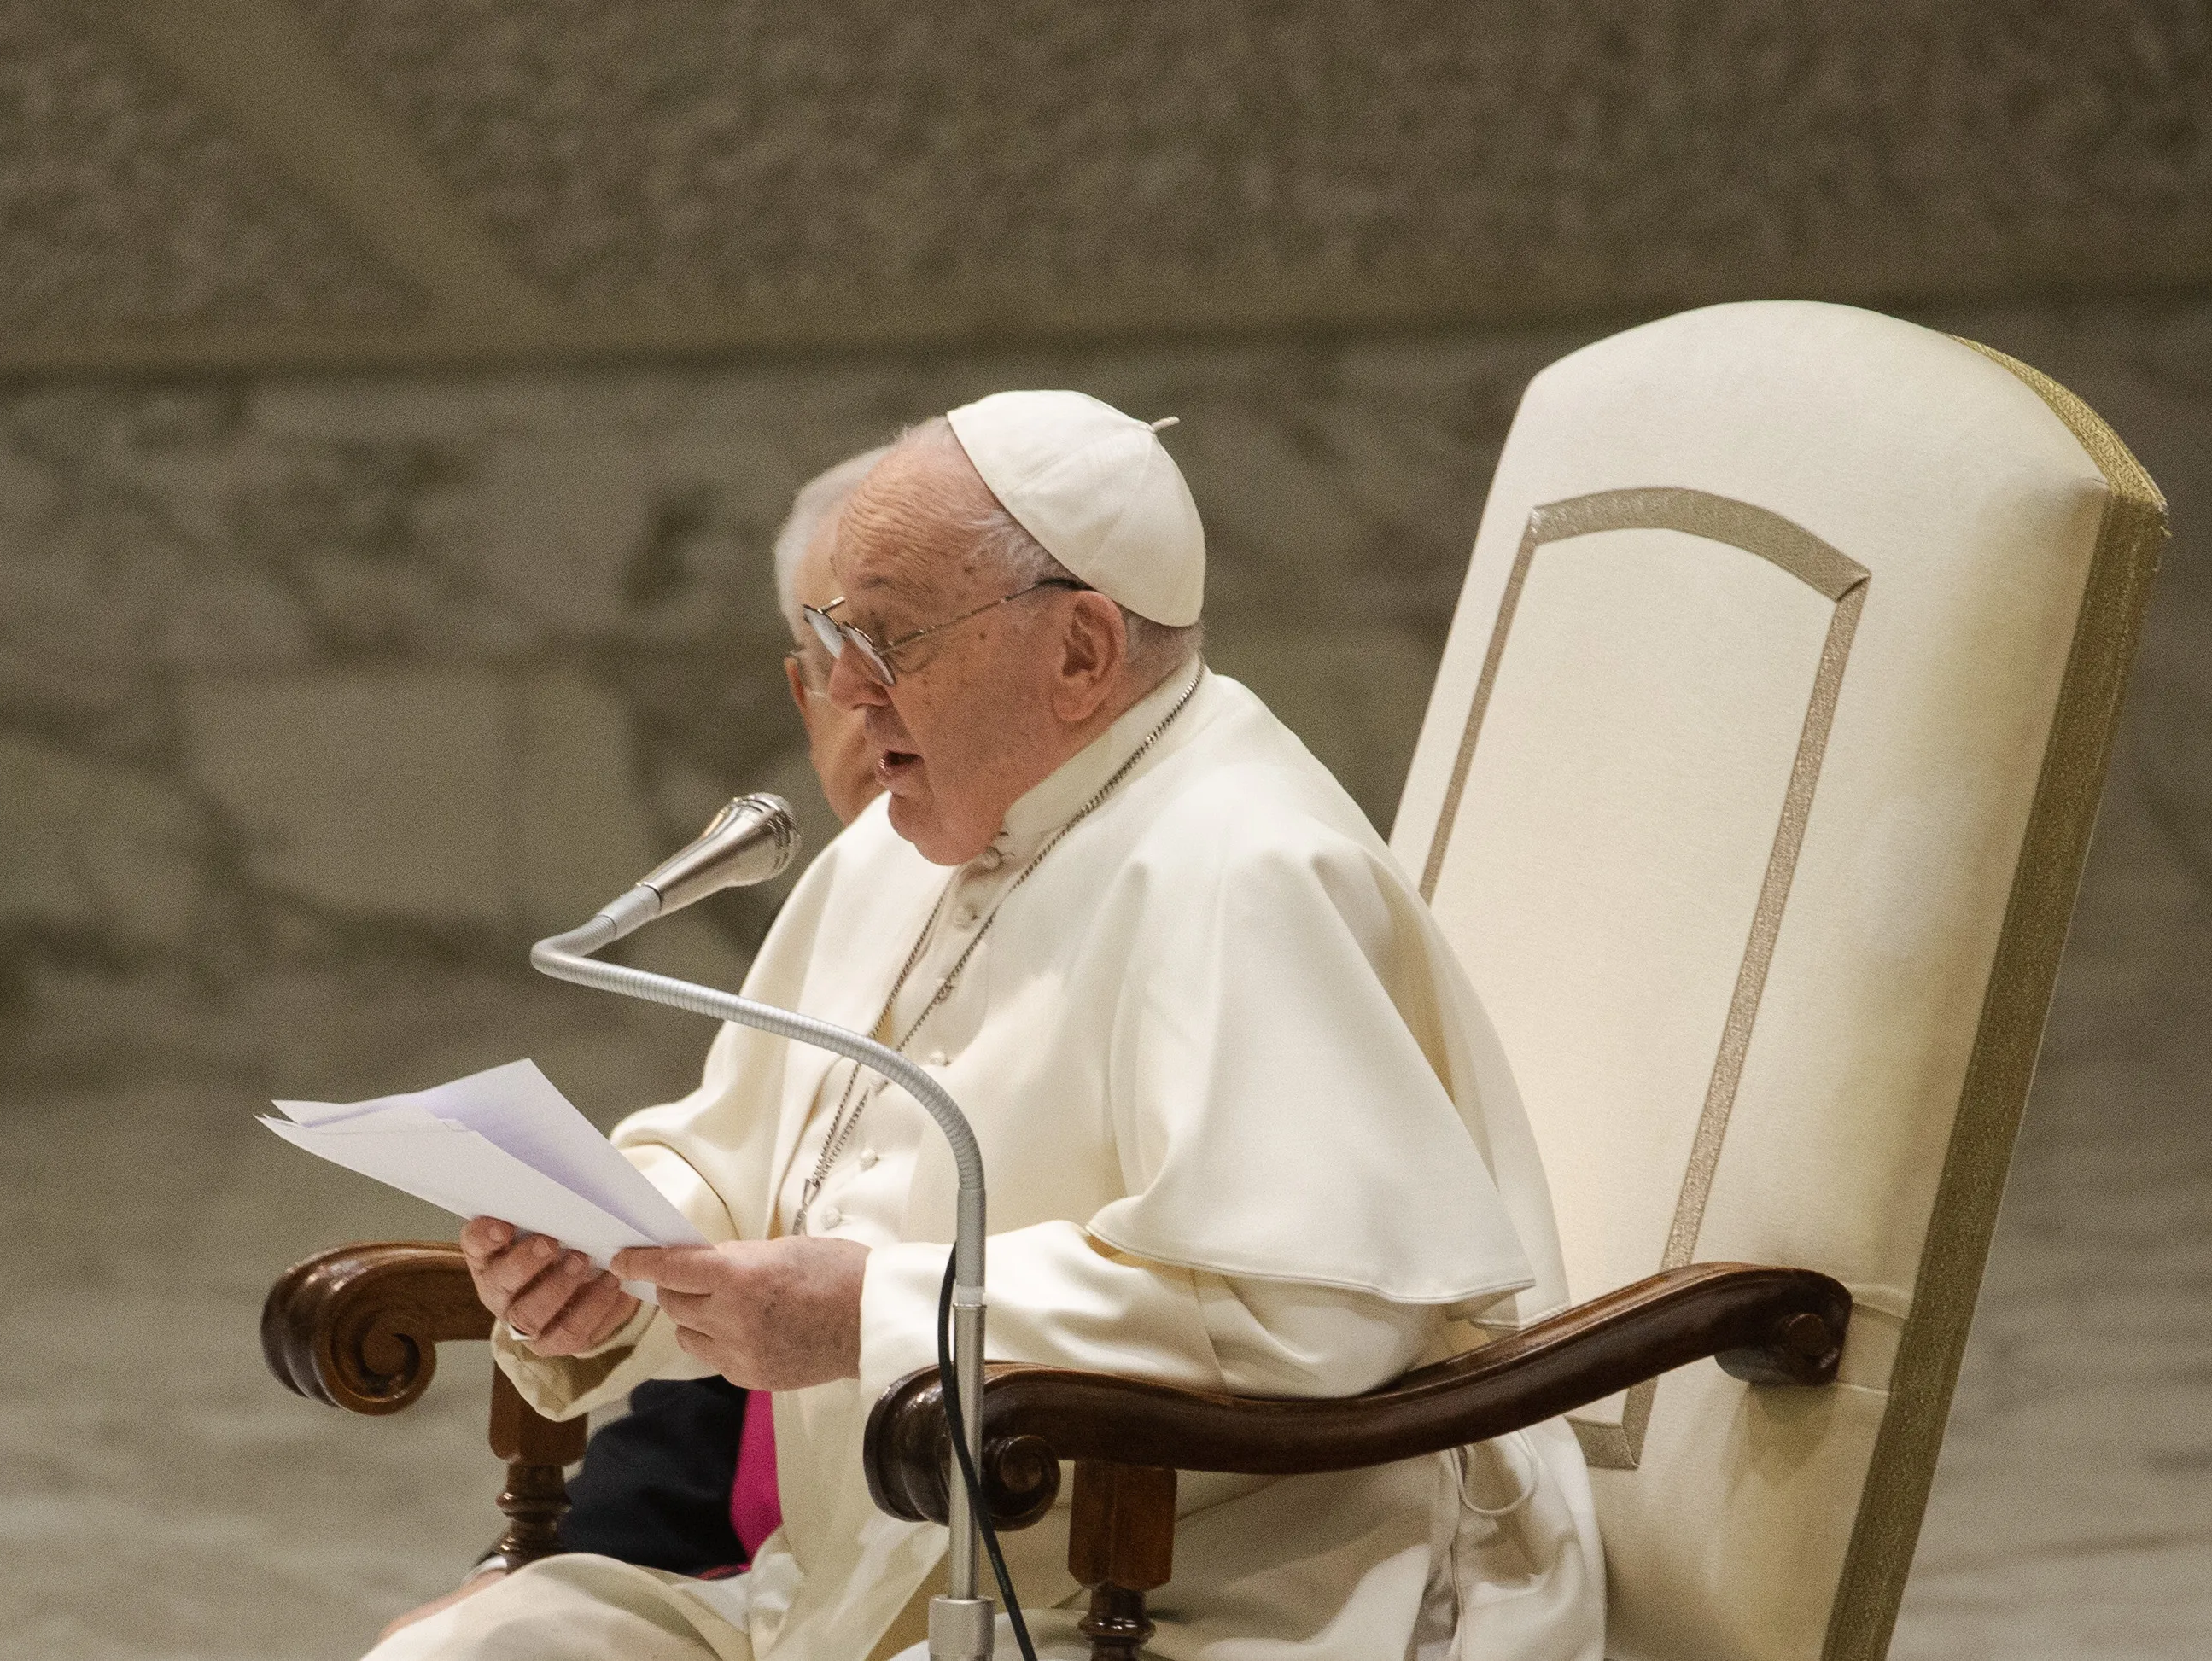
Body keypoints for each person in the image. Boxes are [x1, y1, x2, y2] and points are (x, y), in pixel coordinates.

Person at [371, 393, 1604, 1661]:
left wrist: (877, 1311)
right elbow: (741, 1157)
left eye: (892, 639)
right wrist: (604, 1260)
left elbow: (1303, 1312)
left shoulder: (1246, 864)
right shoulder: (895, 850)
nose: (849, 693)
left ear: (1080, 651)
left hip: (1204, 1595)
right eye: (835, 636)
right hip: (873, 1586)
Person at [379, 447, 890, 1641]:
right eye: (835, 659)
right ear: (801, 695)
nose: (874, 702)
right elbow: (721, 1404)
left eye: (906, 649)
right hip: (784, 1563)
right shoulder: (857, 904)